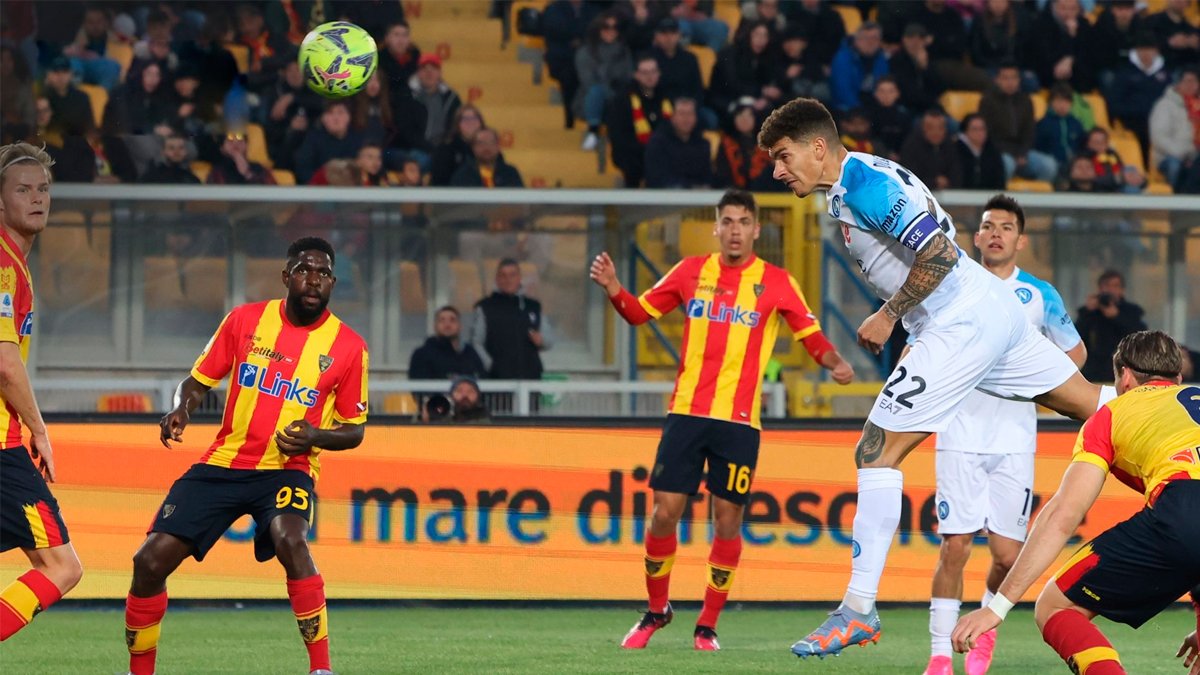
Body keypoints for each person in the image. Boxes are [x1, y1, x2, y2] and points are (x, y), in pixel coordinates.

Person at [759, 97, 1109, 658]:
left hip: (956, 319)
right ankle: (1182, 421)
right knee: (1094, 406)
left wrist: (888, 314)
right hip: (985, 306)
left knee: (876, 453)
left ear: (817, 147)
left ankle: (857, 609)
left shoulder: (865, 184)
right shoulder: (852, 183)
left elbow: (939, 254)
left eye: (782, 156)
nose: (777, 171)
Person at [589, 188, 854, 652]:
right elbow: (638, 313)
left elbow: (810, 335)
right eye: (727, 222)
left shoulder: (776, 282)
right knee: (664, 513)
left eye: (743, 222)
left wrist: (835, 362)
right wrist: (613, 287)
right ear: (716, 228)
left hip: (738, 423)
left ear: (756, 230)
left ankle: (706, 626)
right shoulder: (690, 271)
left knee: (727, 521)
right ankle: (656, 610)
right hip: (687, 413)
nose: (735, 231)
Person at [123, 237, 369, 675]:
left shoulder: (349, 347)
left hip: (287, 469)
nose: (313, 280)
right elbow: (197, 381)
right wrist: (182, 409)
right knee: (148, 562)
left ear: (333, 282)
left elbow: (354, 430)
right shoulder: (245, 320)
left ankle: (321, 669)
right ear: (286, 276)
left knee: (292, 541)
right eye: (304, 270)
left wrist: (315, 436)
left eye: (323, 273)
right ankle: (139, 672)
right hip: (224, 464)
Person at [952, 330, 1200, 675]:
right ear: (1178, 378)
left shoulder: (1111, 414)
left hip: (1185, 506)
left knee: (1056, 608)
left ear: (1125, 376)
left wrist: (998, 606)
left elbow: (1064, 514)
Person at [923, 194, 1088, 675]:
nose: (996, 234)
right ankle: (939, 656)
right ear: (976, 237)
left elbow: (1075, 354)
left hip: (1015, 439)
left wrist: (1040, 388)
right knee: (954, 546)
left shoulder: (1039, 295)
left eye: (1006, 227)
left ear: (1021, 240)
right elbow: (923, 346)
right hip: (959, 434)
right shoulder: (950, 286)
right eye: (989, 226)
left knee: (1006, 555)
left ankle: (983, 637)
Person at [0, 143, 83, 640]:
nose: (37, 198)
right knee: (61, 566)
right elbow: (5, 364)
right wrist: (39, 430)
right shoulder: (3, 266)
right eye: (23, 189)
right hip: (1, 447)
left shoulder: (16, 262)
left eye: (44, 189)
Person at [469, 258, 551, 383]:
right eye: (503, 275)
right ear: (497, 279)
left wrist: (542, 341)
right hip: (496, 382)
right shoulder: (485, 307)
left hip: (530, 381)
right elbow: (476, 343)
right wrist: (491, 366)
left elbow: (549, 340)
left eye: (512, 275)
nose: (508, 280)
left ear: (519, 278)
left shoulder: (533, 306)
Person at [979, 63, 1057, 183]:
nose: (1010, 82)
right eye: (1005, 78)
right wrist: (1012, 154)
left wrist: (1022, 153)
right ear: (997, 80)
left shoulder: (1026, 101)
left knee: (1049, 165)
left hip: (1022, 153)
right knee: (1007, 164)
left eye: (1013, 78)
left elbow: (1029, 131)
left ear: (1019, 80)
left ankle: (1037, 195)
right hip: (998, 152)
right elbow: (987, 134)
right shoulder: (987, 101)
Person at [606, 53, 673, 188]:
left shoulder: (668, 96)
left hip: (664, 153)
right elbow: (619, 136)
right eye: (645, 73)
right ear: (636, 75)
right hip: (633, 155)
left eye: (653, 72)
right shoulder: (623, 100)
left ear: (659, 73)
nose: (650, 76)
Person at [1076, 270, 1148, 383]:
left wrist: (1116, 316)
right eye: (1107, 286)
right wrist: (1087, 312)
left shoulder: (1131, 311)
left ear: (1122, 290)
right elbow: (1077, 337)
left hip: (1123, 369)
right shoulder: (1090, 312)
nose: (1110, 290)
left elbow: (1140, 335)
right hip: (1094, 371)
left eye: (1115, 286)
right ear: (1100, 289)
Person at [575, 12, 632, 151]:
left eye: (615, 27)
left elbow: (628, 75)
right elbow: (588, 81)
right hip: (591, 98)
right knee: (596, 91)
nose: (611, 31)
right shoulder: (585, 52)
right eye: (606, 27)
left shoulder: (624, 51)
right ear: (598, 29)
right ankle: (593, 130)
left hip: (618, 95)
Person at [644, 97, 713, 189]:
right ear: (673, 117)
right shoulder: (658, 143)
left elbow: (707, 178)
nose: (686, 118)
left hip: (698, 195)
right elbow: (657, 178)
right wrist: (690, 187)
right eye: (681, 113)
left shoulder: (703, 144)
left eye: (690, 114)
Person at [1149, 68, 1200, 189]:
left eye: (1195, 82)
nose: (1191, 85)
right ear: (1177, 83)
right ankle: (1175, 197)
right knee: (1174, 165)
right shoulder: (1165, 105)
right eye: (1187, 81)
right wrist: (1182, 153)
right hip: (1170, 155)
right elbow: (1159, 138)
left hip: (1196, 155)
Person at [408, 306, 486, 382]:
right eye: (442, 320)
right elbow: (419, 386)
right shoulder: (422, 355)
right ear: (435, 327)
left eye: (452, 320)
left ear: (460, 326)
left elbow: (483, 380)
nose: (447, 325)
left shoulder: (470, 353)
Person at [294, 100, 365, 184]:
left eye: (340, 112)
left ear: (349, 117)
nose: (336, 118)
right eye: (330, 113)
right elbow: (303, 169)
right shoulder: (313, 139)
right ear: (323, 119)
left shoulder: (359, 140)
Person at [829, 22, 888, 112]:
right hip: (847, 108)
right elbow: (842, 90)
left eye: (875, 38)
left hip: (873, 107)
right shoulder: (843, 58)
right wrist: (859, 111)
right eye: (865, 38)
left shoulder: (882, 59)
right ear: (856, 40)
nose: (870, 42)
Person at [900, 107, 962, 190]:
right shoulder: (911, 146)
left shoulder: (950, 146)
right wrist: (934, 182)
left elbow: (957, 173)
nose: (936, 132)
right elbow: (909, 177)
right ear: (923, 128)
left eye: (940, 128)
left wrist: (948, 182)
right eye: (930, 128)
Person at [409, 54, 461, 150]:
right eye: (424, 69)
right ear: (418, 73)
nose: (429, 73)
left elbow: (455, 128)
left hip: (444, 149)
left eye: (434, 69)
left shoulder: (451, 98)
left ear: (440, 73)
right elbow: (406, 130)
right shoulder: (408, 96)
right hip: (415, 149)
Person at [449, 128, 524, 188]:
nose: (486, 147)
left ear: (498, 146)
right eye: (481, 143)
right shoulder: (462, 175)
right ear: (473, 147)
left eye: (491, 142)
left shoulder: (510, 173)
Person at [1035, 84, 1086, 169]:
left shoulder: (1076, 123)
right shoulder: (1042, 124)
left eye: (1066, 101)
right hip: (1053, 166)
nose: (1062, 105)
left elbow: (1082, 146)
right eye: (1059, 101)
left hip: (1074, 166)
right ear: (1050, 103)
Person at [956, 114, 1007, 190]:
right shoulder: (956, 151)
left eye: (982, 129)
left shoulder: (993, 151)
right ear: (966, 132)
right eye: (975, 129)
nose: (979, 133)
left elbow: (1000, 181)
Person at [207, 130, 276, 185]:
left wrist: (247, 174)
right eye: (230, 140)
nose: (236, 143)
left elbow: (272, 193)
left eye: (240, 140)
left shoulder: (259, 169)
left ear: (246, 145)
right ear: (222, 148)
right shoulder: (217, 172)